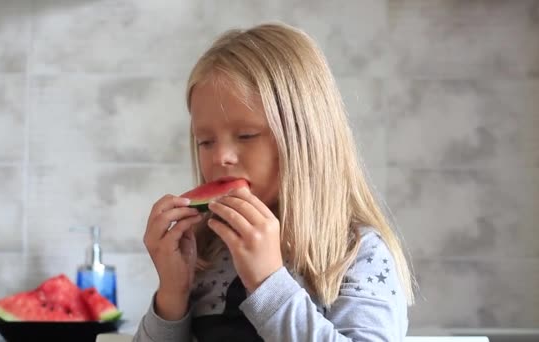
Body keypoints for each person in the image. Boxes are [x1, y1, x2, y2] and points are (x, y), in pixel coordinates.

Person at [134, 22, 415, 342]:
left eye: (246, 135)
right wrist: (172, 294)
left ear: (307, 138)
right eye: (205, 141)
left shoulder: (355, 254)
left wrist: (269, 283)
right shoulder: (206, 253)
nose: (221, 157)